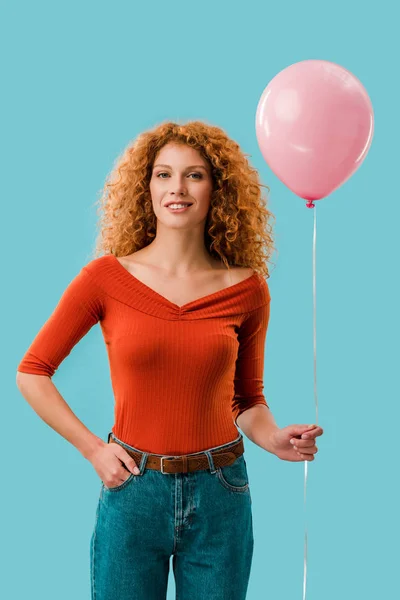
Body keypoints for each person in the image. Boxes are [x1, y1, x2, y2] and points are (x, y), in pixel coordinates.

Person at [16, 120, 323, 600]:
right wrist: (94, 450)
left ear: (217, 188)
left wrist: (275, 437)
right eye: (163, 174)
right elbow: (32, 371)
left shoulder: (247, 288)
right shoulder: (104, 278)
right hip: (133, 491)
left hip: (222, 492)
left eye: (194, 175)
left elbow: (248, 400)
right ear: (147, 186)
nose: (177, 188)